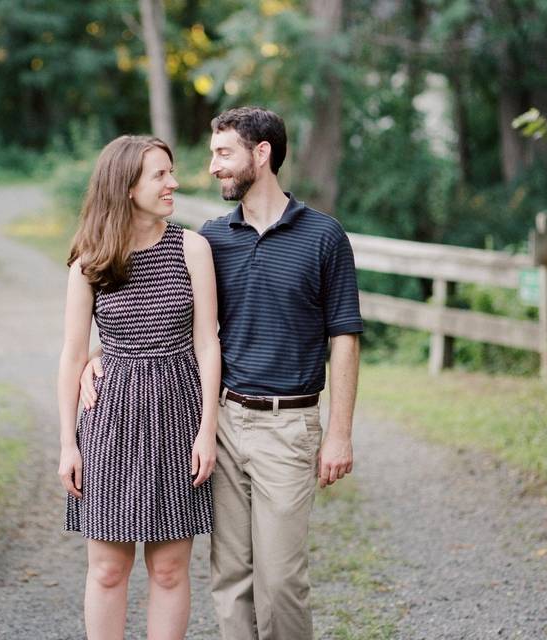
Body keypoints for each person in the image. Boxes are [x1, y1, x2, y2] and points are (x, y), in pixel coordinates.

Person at [80, 107, 363, 639]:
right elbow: (176, 321)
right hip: (222, 422)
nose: (211, 168)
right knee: (229, 578)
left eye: (223, 153)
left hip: (288, 425)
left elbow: (344, 337)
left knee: (279, 581)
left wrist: (340, 432)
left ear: (262, 154)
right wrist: (102, 353)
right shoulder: (212, 239)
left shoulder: (324, 237)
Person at [57, 134, 221, 640]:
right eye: (160, 175)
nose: (173, 183)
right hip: (110, 422)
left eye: (171, 172)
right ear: (126, 186)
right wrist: (67, 443)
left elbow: (208, 345)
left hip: (178, 414)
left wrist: (207, 431)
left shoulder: (192, 248)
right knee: (108, 570)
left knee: (169, 570)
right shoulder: (91, 260)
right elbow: (73, 354)